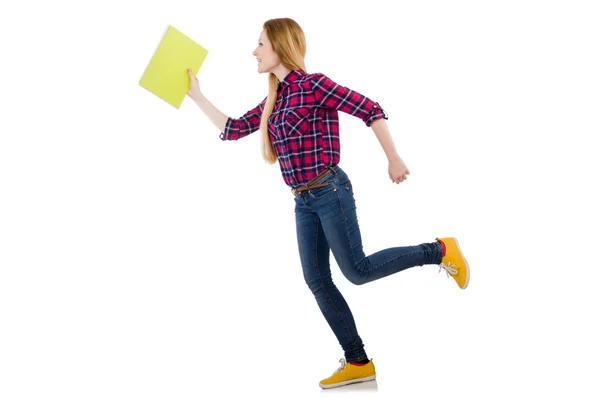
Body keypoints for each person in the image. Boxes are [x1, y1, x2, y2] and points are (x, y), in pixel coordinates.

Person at [186, 17, 470, 390]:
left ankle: (439, 250)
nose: (253, 51)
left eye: (259, 44)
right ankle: (357, 361)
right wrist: (196, 95)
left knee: (357, 271)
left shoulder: (314, 85)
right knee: (317, 281)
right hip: (303, 200)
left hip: (329, 190)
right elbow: (234, 128)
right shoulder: (276, 96)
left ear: (279, 47)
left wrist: (393, 158)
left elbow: (370, 109)